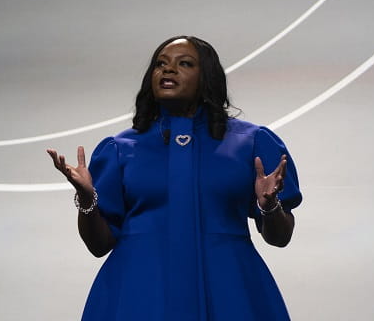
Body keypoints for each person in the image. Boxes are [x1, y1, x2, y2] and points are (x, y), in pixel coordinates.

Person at [47, 36, 301, 320]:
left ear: (207, 78)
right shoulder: (119, 148)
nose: (168, 70)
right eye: (160, 64)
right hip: (139, 291)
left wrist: (269, 206)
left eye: (185, 64)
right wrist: (87, 201)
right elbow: (99, 245)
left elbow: (280, 238)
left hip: (229, 289)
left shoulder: (252, 143)